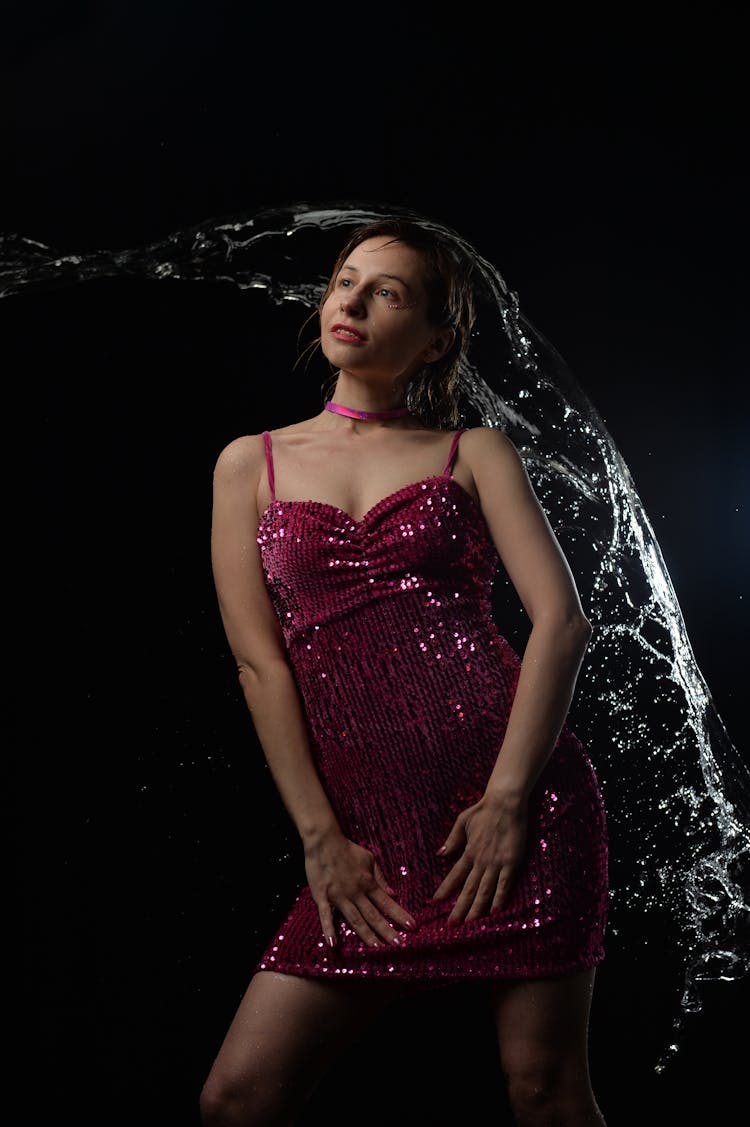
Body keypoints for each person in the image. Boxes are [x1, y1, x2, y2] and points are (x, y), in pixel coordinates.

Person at [200, 216, 609, 1126]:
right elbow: (260, 665)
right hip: (365, 841)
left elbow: (563, 624)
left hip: (514, 817)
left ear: (436, 337)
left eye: (386, 291)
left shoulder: (474, 453)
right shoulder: (249, 465)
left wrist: (508, 799)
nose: (351, 300)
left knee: (544, 1089)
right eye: (345, 280)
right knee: (238, 1099)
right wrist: (319, 836)